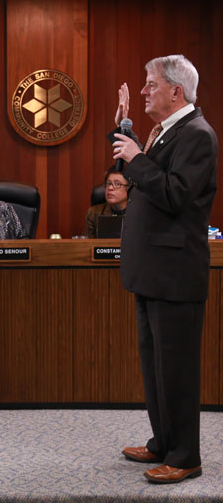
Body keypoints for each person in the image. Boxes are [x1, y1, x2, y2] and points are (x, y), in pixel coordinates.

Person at [110, 54, 217, 484]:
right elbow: (144, 172)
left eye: (150, 84)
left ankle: (185, 456)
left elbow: (174, 194)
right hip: (153, 269)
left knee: (176, 369)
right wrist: (124, 132)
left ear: (176, 91)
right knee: (155, 366)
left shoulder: (198, 135)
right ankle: (163, 442)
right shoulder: (167, 132)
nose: (143, 90)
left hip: (175, 273)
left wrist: (136, 154)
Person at [85, 165, 129, 238]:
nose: (110, 188)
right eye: (108, 183)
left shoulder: (139, 214)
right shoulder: (94, 213)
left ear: (129, 188)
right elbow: (87, 246)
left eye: (117, 184)